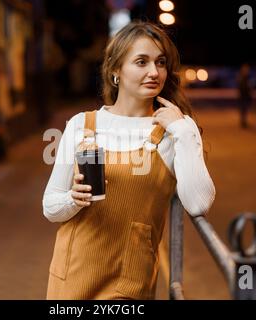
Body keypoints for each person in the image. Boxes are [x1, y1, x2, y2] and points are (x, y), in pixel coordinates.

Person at [42, 21, 216, 300]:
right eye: (141, 62)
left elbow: (199, 202)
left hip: (130, 280)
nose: (154, 72)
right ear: (116, 72)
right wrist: (73, 199)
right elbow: (50, 207)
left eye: (160, 62)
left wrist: (182, 130)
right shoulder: (82, 125)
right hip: (72, 277)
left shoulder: (175, 131)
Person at [237, 63, 253, 128]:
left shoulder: (247, 78)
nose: (247, 70)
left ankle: (244, 121)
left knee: (245, 109)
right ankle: (243, 122)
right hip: (242, 97)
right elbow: (241, 88)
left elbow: (249, 87)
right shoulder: (241, 77)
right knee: (243, 109)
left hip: (246, 96)